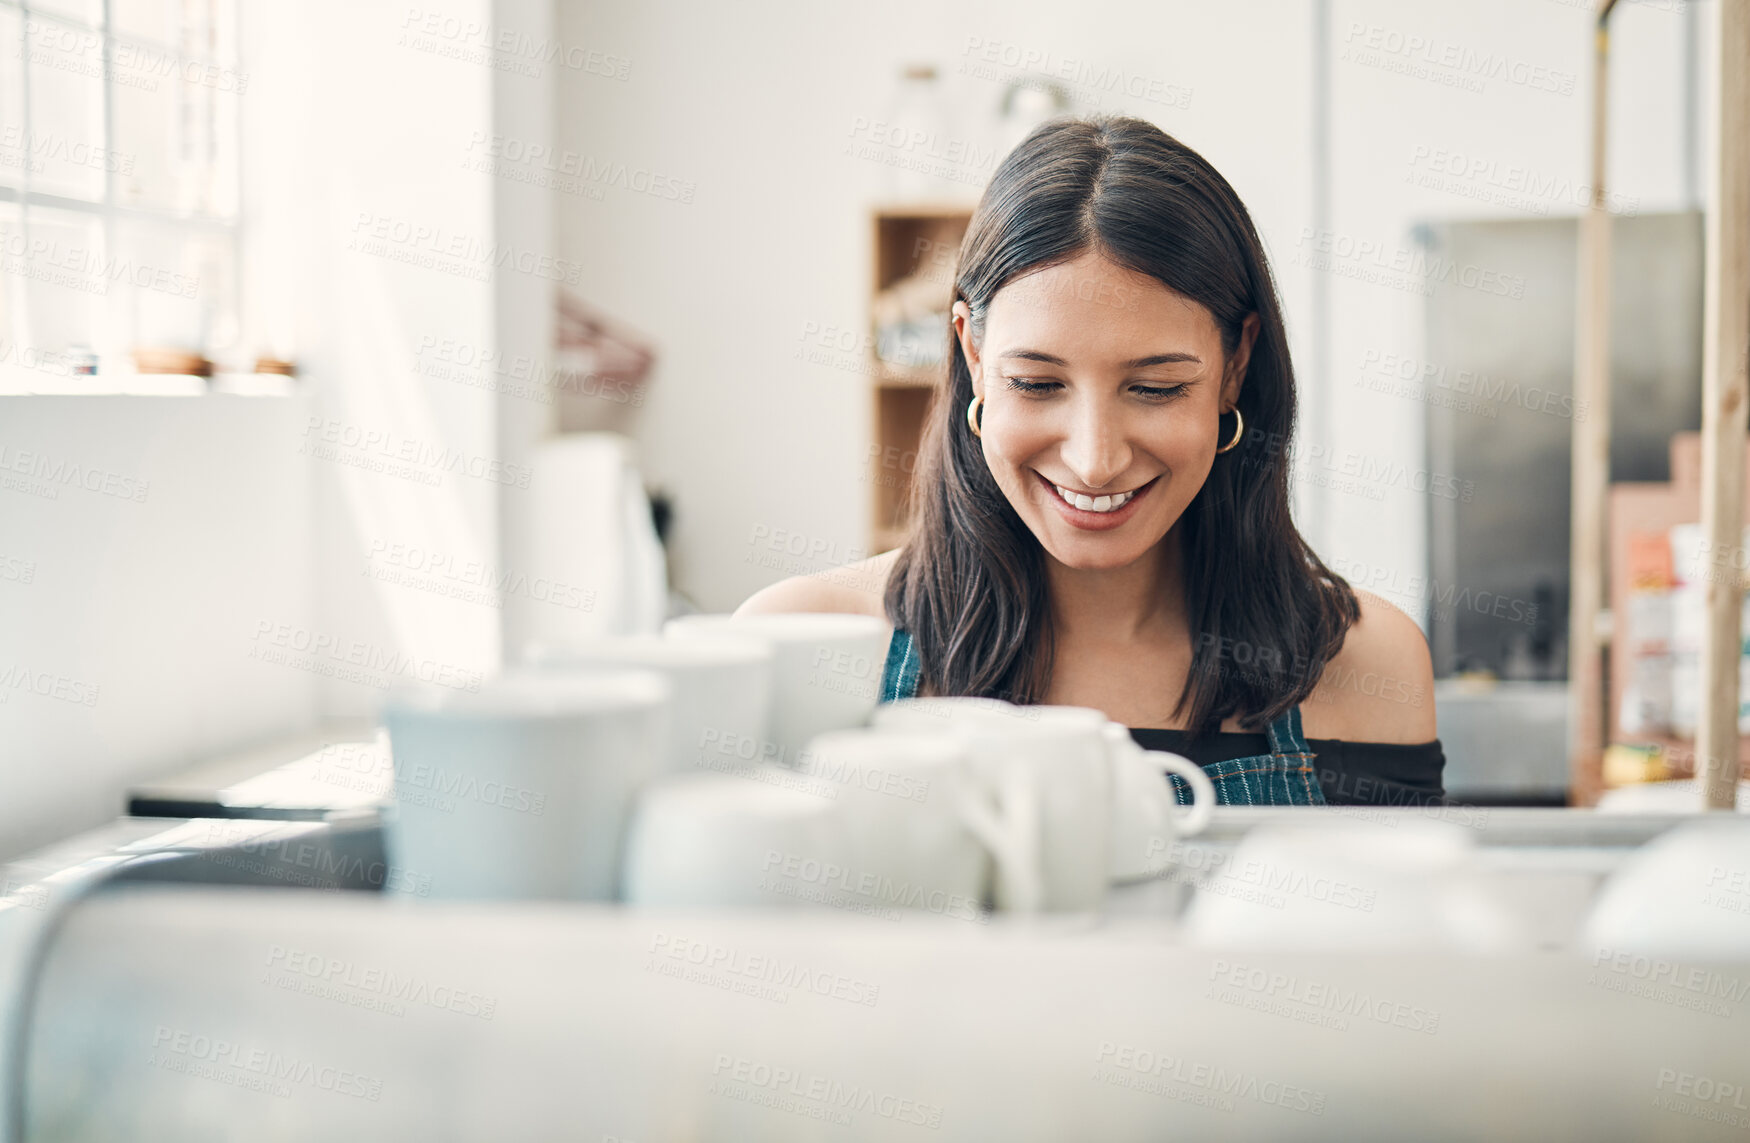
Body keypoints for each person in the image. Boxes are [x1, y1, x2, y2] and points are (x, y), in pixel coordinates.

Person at [738, 115, 1443, 807]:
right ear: (974, 357)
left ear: (1235, 367)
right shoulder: (798, 643)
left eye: (1156, 388)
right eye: (1037, 384)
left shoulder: (1367, 663)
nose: (1096, 459)